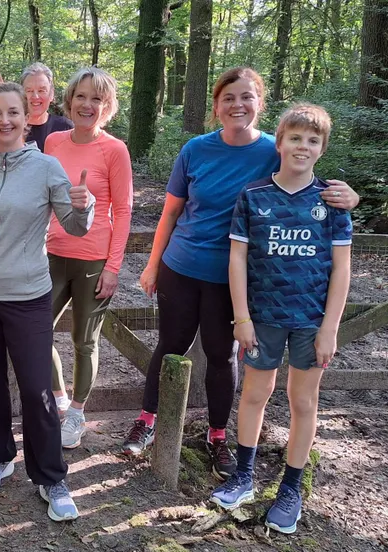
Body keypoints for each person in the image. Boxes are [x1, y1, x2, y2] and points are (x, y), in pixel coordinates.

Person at [121, 67, 359, 482]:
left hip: (233, 277)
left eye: (246, 97)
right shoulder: (195, 150)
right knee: (170, 344)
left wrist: (349, 197)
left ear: (259, 103)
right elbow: (172, 211)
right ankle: (147, 419)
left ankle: (217, 436)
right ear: (216, 105)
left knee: (221, 353)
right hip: (182, 266)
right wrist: (153, 263)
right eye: (228, 97)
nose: (237, 105)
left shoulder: (275, 149)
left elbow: (308, 179)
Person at [0, 82, 95, 522]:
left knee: (36, 390)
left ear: (26, 117)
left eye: (13, 112)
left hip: (28, 296)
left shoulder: (47, 167)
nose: (5, 121)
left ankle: (52, 477)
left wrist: (82, 206)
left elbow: (75, 227)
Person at [211, 104, 351, 534]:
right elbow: (237, 260)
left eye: (312, 141)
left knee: (303, 401)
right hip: (263, 317)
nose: (303, 147)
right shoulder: (254, 196)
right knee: (254, 393)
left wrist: (330, 328)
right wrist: (241, 318)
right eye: (295, 138)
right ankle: (245, 476)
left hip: (311, 321)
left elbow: (342, 269)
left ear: (321, 148)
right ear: (280, 142)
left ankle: (290, 488)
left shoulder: (331, 202)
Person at [46, 67, 133, 448]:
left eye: (97, 98)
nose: (87, 104)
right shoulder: (52, 142)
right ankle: (59, 399)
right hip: (51, 254)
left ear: (108, 107)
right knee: (36, 330)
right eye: (81, 96)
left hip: (93, 259)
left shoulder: (114, 150)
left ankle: (77, 413)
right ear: (69, 101)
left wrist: (113, 267)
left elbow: (125, 210)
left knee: (85, 341)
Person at [20, 62, 73, 151]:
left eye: (41, 91)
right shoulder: (12, 128)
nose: (35, 96)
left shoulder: (66, 128)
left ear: (51, 94)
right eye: (29, 91)